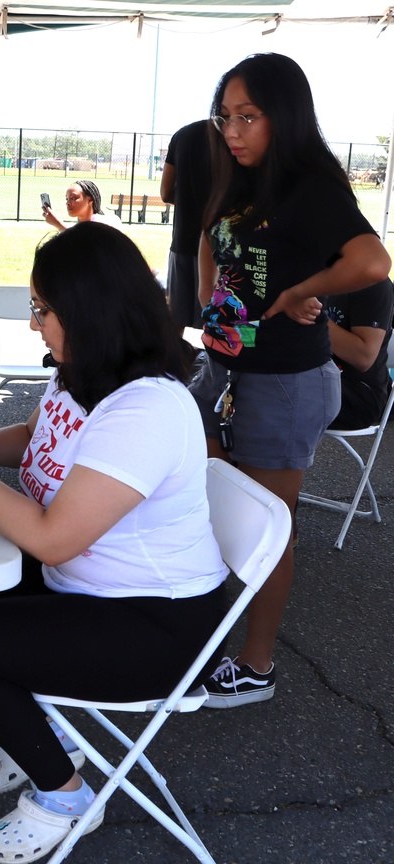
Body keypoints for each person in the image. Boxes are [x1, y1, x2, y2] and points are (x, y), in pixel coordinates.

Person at [0, 221, 227, 863]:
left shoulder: (147, 409)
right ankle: (44, 733)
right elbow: (32, 441)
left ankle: (66, 794)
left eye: (43, 310)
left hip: (153, 622)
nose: (35, 324)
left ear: (90, 311)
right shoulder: (80, 374)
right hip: (88, 586)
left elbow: (53, 541)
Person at [191, 53, 391, 708]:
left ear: (286, 114)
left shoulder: (310, 187)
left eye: (248, 117)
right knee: (204, 500)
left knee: (265, 525)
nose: (234, 132)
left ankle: (256, 665)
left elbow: (371, 260)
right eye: (226, 119)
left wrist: (308, 288)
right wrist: (209, 300)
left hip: (283, 383)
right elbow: (208, 237)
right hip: (224, 371)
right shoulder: (241, 180)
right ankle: (197, 633)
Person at [161, 120, 212, 335]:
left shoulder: (182, 135)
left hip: (183, 239)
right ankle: (217, 369)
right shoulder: (239, 136)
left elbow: (165, 193)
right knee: (219, 320)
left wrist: (188, 201)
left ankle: (170, 367)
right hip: (221, 247)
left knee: (175, 320)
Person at [323, 279, 394, 430]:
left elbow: (363, 357)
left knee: (270, 397)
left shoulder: (373, 282)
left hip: (358, 393)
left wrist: (312, 317)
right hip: (316, 377)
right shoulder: (313, 273)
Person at [42, 180, 122, 233]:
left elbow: (87, 246)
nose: (68, 203)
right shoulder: (75, 229)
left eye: (73, 198)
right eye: (67, 198)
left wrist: (59, 225)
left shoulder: (109, 222)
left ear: (90, 200)